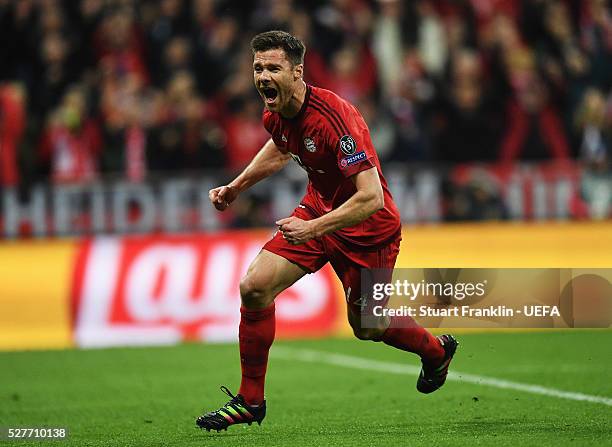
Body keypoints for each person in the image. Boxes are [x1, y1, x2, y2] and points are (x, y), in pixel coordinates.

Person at [196, 30, 458, 432]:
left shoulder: (337, 118)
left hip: (369, 232)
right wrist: (236, 187)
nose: (263, 77)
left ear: (297, 71)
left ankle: (436, 352)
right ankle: (250, 400)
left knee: (368, 327)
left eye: (273, 68)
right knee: (255, 286)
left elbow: (371, 198)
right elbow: (282, 146)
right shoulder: (277, 111)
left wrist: (313, 227)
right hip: (318, 213)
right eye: (258, 68)